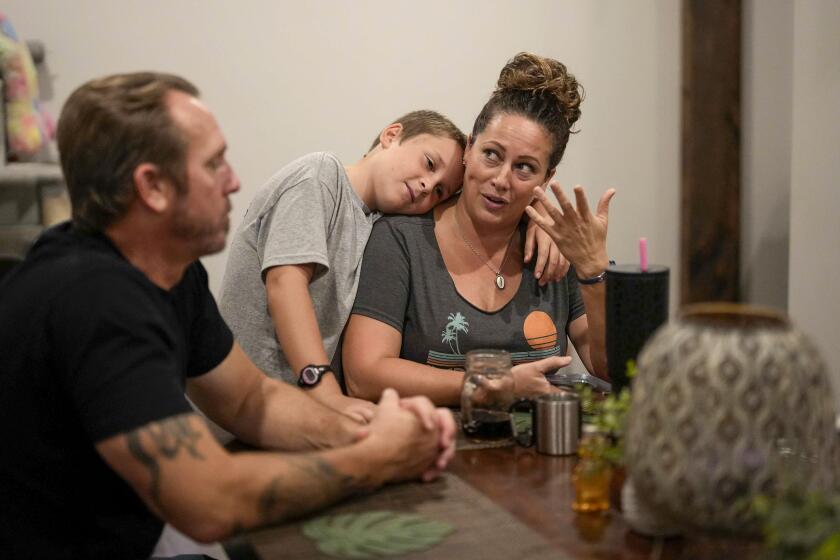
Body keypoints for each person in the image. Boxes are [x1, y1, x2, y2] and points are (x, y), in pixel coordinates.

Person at [0, 72, 455, 559]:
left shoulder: (174, 272)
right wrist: (375, 457)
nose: (234, 180)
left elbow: (248, 399)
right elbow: (208, 501)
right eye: (214, 164)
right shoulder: (96, 300)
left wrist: (366, 429)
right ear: (152, 186)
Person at [219, 110, 567, 421]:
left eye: (440, 191)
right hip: (250, 405)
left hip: (296, 409)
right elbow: (285, 286)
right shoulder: (320, 175)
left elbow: (484, 200)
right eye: (429, 164)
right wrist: (325, 392)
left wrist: (534, 220)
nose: (427, 186)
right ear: (391, 135)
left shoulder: (374, 222)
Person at [342, 52, 614, 406]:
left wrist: (593, 271)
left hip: (546, 453)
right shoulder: (400, 239)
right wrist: (493, 384)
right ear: (469, 148)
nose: (501, 179)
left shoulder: (559, 248)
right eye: (492, 155)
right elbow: (364, 376)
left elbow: (608, 368)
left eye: (525, 168)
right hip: (432, 450)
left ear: (546, 180)